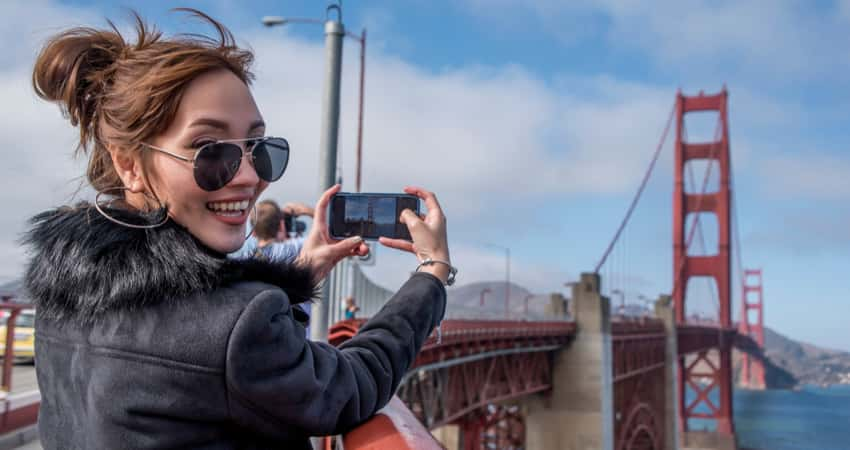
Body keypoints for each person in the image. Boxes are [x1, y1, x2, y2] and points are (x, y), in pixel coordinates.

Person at [25, 9, 455, 450]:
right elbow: (351, 387)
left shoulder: (62, 297)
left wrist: (301, 272)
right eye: (209, 149)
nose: (249, 177)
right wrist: (432, 273)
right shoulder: (233, 325)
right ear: (129, 164)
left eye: (258, 148)